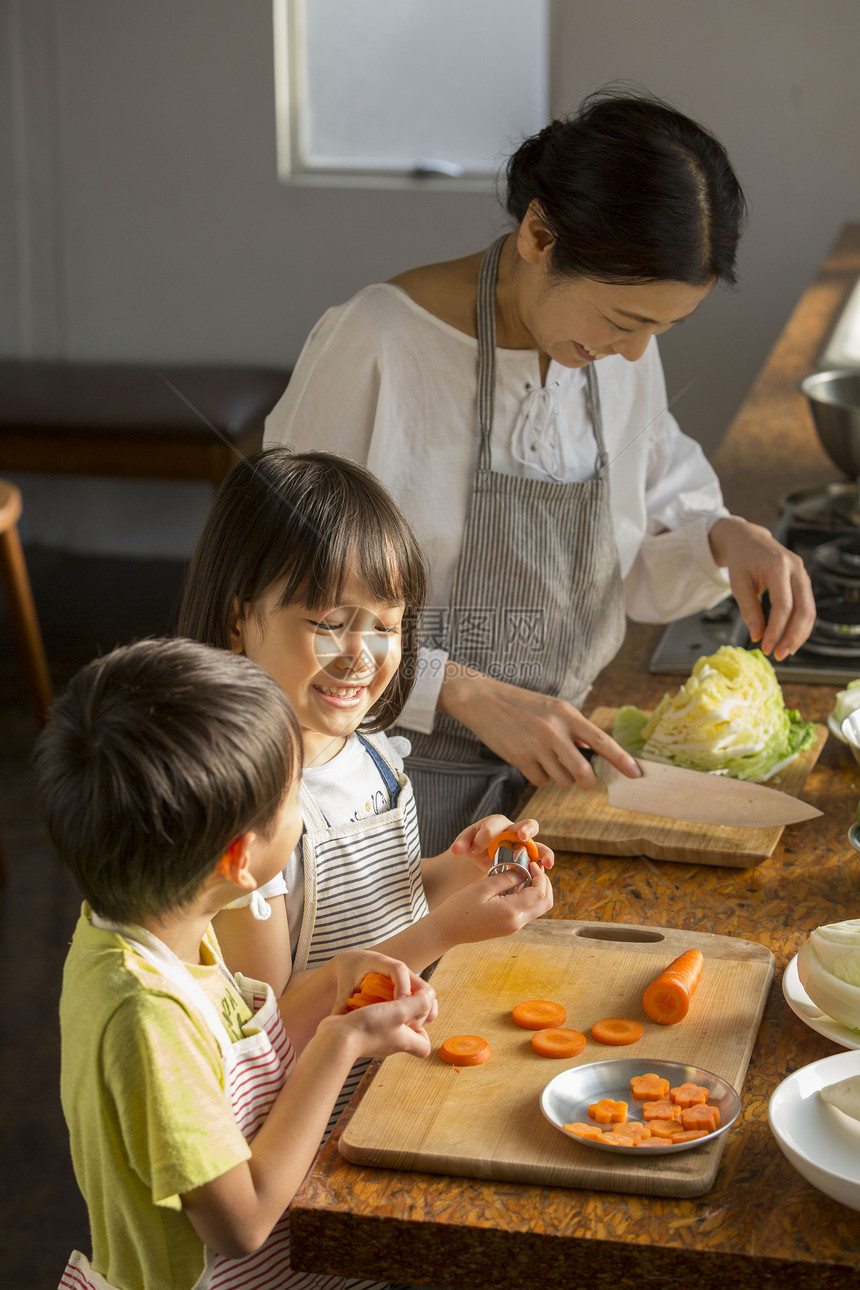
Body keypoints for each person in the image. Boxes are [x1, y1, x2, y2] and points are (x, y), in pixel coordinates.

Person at [263, 88, 816, 856]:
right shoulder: (379, 345)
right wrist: (457, 689)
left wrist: (722, 535)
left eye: (661, 329)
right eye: (623, 321)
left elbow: (652, 491)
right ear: (538, 234)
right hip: (370, 783)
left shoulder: (615, 350)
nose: (633, 352)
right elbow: (273, 602)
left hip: (554, 777)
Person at [36, 637, 439, 1290]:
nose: (301, 808)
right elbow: (240, 1223)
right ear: (237, 859)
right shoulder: (146, 1018)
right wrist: (336, 1050)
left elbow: (232, 1037)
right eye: (293, 796)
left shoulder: (145, 922)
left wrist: (336, 981)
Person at [177, 449, 554, 1106]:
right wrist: (444, 932)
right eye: (328, 623)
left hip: (395, 1087)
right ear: (239, 621)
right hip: (308, 1132)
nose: (359, 654)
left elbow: (383, 903)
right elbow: (266, 1047)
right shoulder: (240, 816)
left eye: (385, 625)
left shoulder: (372, 751)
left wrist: (459, 874)